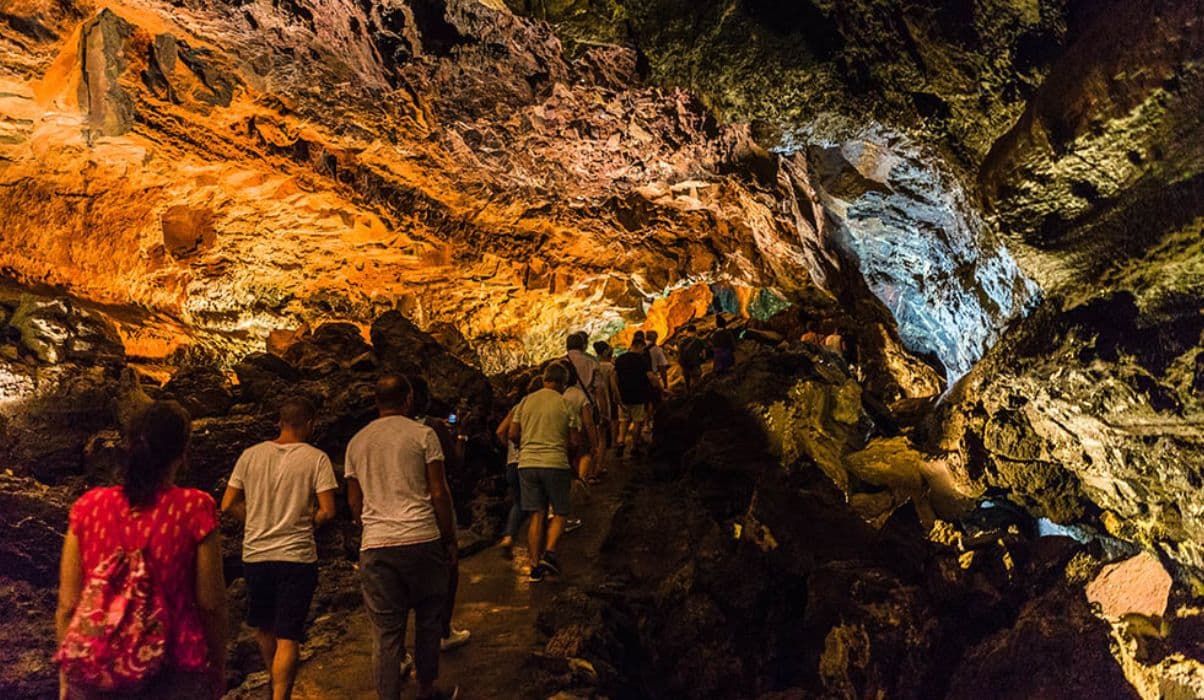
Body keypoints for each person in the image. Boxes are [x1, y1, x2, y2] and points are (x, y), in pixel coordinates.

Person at [56, 401, 228, 700]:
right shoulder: (195, 508)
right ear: (183, 452)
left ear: (129, 446)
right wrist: (218, 666)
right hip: (177, 668)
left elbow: (68, 604)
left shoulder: (87, 508)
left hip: (98, 669)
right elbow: (211, 604)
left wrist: (66, 674)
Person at [345, 376, 459, 700]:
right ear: (408, 399)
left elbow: (354, 501)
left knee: (385, 634)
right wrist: (449, 538)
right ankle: (426, 690)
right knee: (428, 620)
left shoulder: (357, 442)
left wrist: (370, 524)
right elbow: (439, 491)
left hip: (377, 545)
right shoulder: (423, 435)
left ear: (375, 400)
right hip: (422, 538)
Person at [220, 397, 338, 700]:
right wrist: (310, 520)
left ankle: (275, 687)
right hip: (296, 557)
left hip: (257, 555)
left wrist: (258, 520)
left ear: (279, 423)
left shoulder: (250, 455)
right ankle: (280, 695)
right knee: (289, 636)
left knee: (264, 627)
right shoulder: (317, 458)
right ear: (310, 423)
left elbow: (228, 503)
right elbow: (328, 510)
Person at [406, 375, 470, 653]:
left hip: (390, 521)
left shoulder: (374, 432)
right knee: (446, 572)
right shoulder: (431, 428)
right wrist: (462, 434)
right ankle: (443, 631)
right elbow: (453, 465)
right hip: (429, 510)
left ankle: (399, 652)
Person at [508, 363, 580, 582]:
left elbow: (512, 433)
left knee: (536, 514)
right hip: (555, 462)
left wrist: (526, 446)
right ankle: (549, 552)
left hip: (527, 463)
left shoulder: (525, 401)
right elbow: (574, 440)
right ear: (563, 382)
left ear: (544, 378)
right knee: (560, 511)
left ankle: (534, 566)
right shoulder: (565, 403)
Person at [614, 334, 658, 458]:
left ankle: (621, 442)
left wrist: (616, 393)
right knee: (637, 421)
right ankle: (633, 447)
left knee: (623, 421)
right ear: (638, 346)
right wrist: (657, 386)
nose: (642, 351)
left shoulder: (620, 359)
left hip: (623, 395)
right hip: (638, 395)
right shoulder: (642, 360)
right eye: (642, 349)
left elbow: (615, 377)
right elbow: (650, 376)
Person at [592, 341, 620, 475]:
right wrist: (619, 400)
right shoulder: (610, 367)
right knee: (604, 433)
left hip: (591, 403)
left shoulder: (593, 365)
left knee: (594, 436)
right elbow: (613, 386)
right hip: (606, 400)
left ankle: (591, 467)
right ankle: (599, 466)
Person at [677, 324, 708, 389]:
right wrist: (703, 360)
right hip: (695, 364)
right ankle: (696, 395)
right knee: (696, 381)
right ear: (695, 331)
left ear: (687, 332)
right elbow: (703, 353)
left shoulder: (682, 342)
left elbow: (679, 353)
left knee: (687, 383)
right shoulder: (699, 341)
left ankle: (688, 393)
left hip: (685, 366)